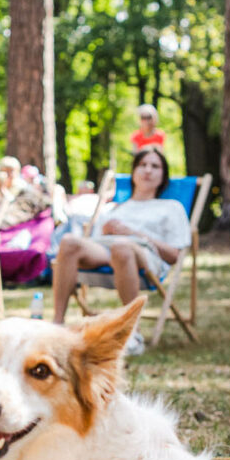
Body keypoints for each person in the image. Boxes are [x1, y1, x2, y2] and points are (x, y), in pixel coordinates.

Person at [51, 147, 189, 355]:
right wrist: (106, 230)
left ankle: (133, 332)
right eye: (142, 165)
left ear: (163, 176)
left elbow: (174, 255)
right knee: (70, 242)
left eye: (155, 166)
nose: (148, 170)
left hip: (145, 253)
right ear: (133, 173)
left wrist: (133, 233)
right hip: (107, 249)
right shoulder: (115, 208)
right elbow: (94, 241)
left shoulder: (171, 207)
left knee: (121, 247)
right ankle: (57, 326)